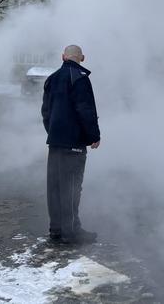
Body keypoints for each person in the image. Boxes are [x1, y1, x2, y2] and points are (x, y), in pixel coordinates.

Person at [41, 45, 101, 244]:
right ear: (82, 58)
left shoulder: (51, 79)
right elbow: (85, 110)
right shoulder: (80, 79)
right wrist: (94, 135)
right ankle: (71, 232)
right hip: (74, 144)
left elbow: (46, 112)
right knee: (72, 187)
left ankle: (56, 230)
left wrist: (54, 133)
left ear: (63, 57)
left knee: (56, 187)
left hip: (56, 143)